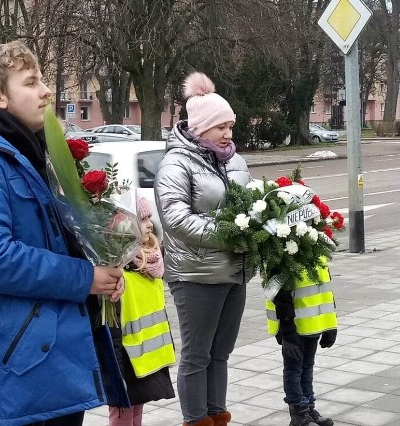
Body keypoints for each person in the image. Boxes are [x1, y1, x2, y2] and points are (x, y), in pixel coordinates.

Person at [0, 41, 127, 426]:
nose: (46, 91)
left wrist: (104, 264)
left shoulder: (29, 151)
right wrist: (85, 278)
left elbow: (60, 236)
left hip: (51, 357)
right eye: (31, 82)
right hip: (20, 364)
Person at [155, 71, 253, 426]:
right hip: (196, 274)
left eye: (230, 126)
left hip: (235, 271)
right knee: (197, 356)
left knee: (221, 354)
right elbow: (175, 218)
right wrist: (230, 234)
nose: (228, 134)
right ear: (199, 128)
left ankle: (218, 416)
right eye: (220, 127)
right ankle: (196, 420)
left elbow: (253, 203)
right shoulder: (176, 163)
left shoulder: (236, 161)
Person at [108, 196, 175, 426]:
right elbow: (114, 329)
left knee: (137, 413)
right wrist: (115, 372)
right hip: (127, 361)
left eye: (149, 218)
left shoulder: (149, 268)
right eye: (143, 219)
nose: (149, 224)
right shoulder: (119, 275)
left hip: (147, 358)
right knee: (123, 416)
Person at [267, 265, 338, 426]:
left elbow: (325, 291)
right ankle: (299, 414)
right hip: (293, 327)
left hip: (312, 324)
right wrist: (287, 330)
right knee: (294, 370)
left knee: (307, 367)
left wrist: (330, 326)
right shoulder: (285, 251)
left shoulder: (317, 250)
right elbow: (279, 295)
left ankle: (308, 408)